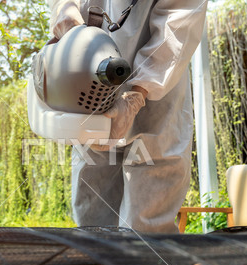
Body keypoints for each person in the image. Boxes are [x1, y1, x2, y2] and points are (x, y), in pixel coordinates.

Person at [49, 0, 208, 232]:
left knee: (147, 230)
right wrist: (64, 8)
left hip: (156, 92)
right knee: (93, 220)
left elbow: (178, 21)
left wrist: (137, 93)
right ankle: (99, 264)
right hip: (90, 83)